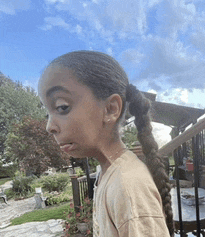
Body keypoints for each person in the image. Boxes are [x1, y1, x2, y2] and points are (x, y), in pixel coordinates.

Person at [38, 50, 174, 237]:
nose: (49, 127)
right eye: (48, 113)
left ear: (110, 109)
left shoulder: (127, 185)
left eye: (62, 107)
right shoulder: (108, 172)